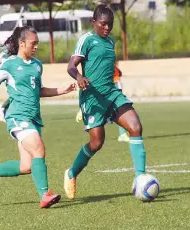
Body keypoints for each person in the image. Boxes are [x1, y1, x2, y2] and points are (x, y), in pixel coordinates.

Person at [0, 26, 76, 208]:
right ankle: (44, 195)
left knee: (26, 166)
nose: (36, 47)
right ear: (22, 43)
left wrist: (63, 90)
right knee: (39, 149)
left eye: (37, 43)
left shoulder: (37, 65)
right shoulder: (9, 64)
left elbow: (39, 91)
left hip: (34, 119)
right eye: (33, 43)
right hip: (17, 117)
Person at [63, 5, 148, 200]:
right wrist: (79, 77)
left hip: (112, 94)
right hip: (92, 97)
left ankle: (140, 178)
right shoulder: (86, 40)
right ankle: (71, 173)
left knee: (135, 126)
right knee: (96, 143)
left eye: (110, 24)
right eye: (103, 24)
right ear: (94, 23)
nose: (107, 28)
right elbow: (71, 66)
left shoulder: (110, 42)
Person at [75, 51, 130, 142]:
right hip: (110, 89)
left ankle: (122, 133)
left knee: (119, 111)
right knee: (115, 111)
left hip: (113, 88)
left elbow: (118, 77)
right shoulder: (106, 67)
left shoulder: (112, 67)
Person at [0, 44, 11, 122]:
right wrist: (2, 69)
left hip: (13, 76)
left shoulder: (15, 55)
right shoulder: (3, 55)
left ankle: (4, 109)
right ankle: (3, 108)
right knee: (16, 94)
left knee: (16, 94)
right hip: (7, 76)